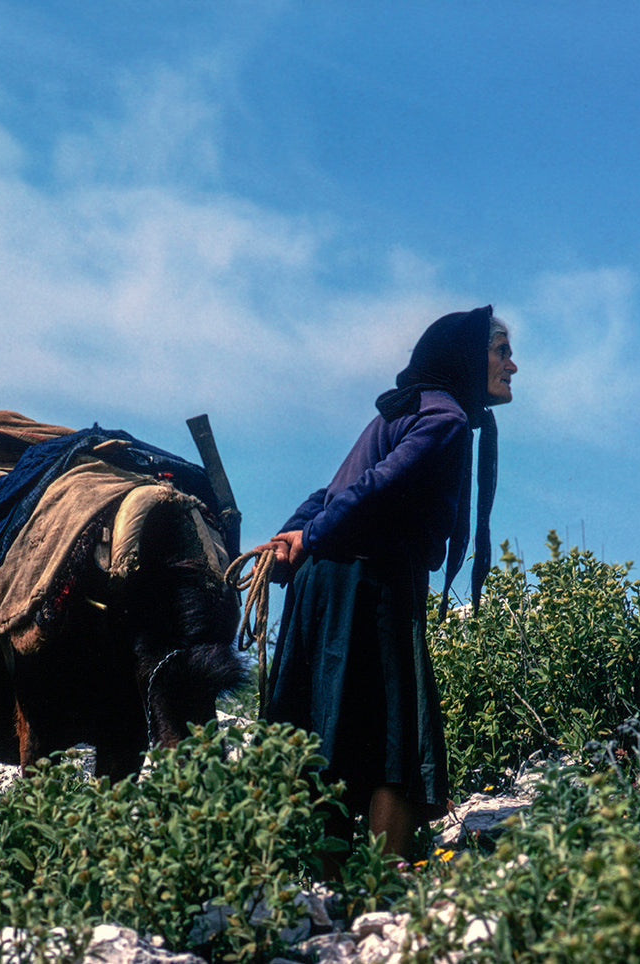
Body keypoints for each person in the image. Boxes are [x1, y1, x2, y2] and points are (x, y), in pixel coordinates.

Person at [259, 305, 515, 863]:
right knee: (394, 737)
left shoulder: (406, 412)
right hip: (370, 587)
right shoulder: (443, 420)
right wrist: (305, 536)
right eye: (501, 352)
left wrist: (293, 534)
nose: (512, 366)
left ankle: (321, 884)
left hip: (326, 586)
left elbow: (330, 492)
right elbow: (373, 487)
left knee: (324, 728)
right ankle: (383, 883)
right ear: (467, 358)